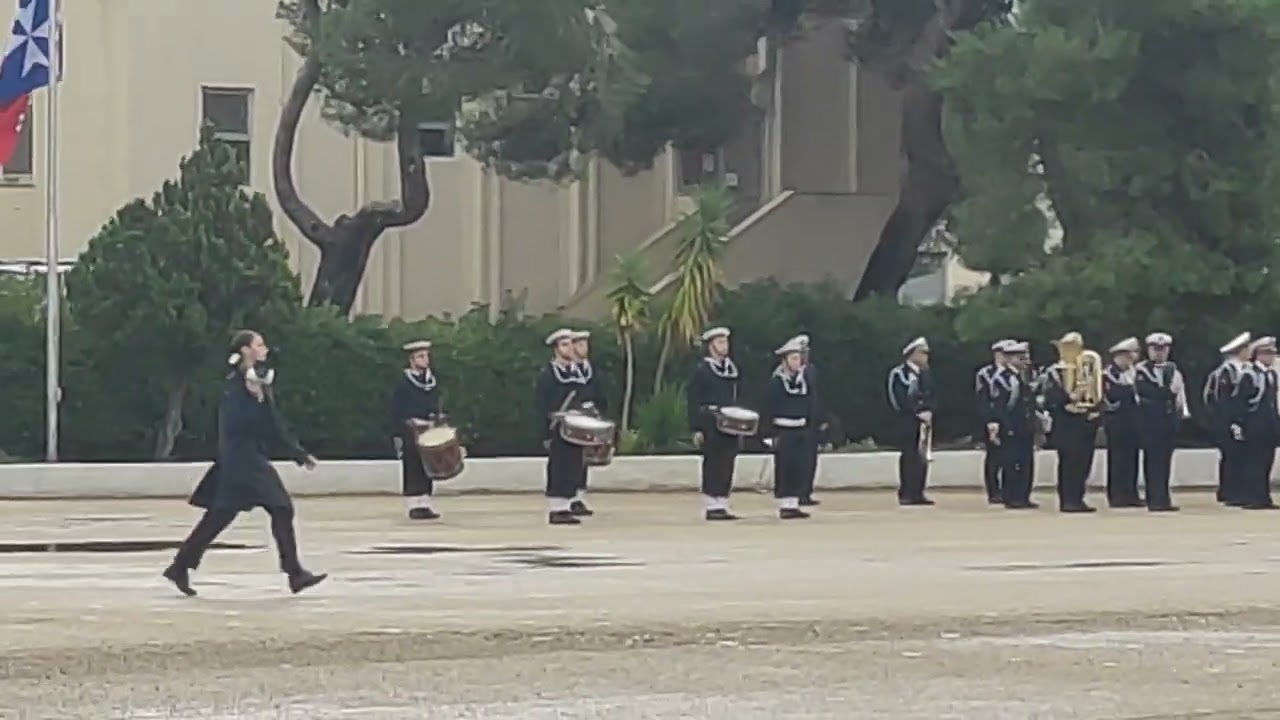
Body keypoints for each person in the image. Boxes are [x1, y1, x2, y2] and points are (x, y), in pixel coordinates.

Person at [163, 330, 326, 597]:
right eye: (259, 345)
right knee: (281, 507)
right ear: (246, 351)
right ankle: (295, 573)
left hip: (247, 459)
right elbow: (236, 425)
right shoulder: (234, 386)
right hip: (241, 460)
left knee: (219, 517)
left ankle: (179, 566)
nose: (265, 349)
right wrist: (253, 397)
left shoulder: (259, 384)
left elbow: (274, 424)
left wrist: (298, 453)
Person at [687, 326, 744, 521]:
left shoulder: (731, 369)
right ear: (711, 346)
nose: (724, 346)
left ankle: (722, 501)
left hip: (730, 420)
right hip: (710, 420)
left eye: (725, 342)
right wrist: (696, 427)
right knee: (713, 461)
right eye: (720, 342)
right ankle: (712, 504)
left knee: (728, 460)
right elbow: (693, 400)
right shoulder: (703, 370)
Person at [534, 328, 588, 525]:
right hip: (557, 427)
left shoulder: (577, 373)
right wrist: (544, 431)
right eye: (564, 345)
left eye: (571, 344)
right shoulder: (548, 374)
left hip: (576, 426)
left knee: (574, 465)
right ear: (556, 349)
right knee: (559, 466)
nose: (570, 348)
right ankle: (556, 508)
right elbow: (541, 404)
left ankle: (567, 504)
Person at [1042, 332, 1100, 513]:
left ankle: (1078, 497)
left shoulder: (1086, 365)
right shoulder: (1054, 371)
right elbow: (1050, 397)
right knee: (1069, 463)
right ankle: (1068, 499)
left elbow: (1095, 388)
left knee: (1084, 462)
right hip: (1065, 423)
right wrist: (1068, 399)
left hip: (1085, 421)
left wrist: (1094, 408)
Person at [765, 336, 819, 520]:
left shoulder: (804, 381)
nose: (797, 362)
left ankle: (794, 502)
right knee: (785, 467)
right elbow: (770, 407)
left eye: (799, 358)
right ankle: (785, 504)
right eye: (793, 358)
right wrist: (769, 433)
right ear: (785, 360)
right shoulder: (777, 381)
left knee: (799, 466)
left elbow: (810, 403)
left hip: (800, 427)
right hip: (783, 428)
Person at [1134, 332, 1187, 512]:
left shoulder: (1173, 369)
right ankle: (1153, 498)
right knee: (1152, 461)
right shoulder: (1141, 371)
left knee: (1165, 461)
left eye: (1163, 350)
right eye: (1156, 349)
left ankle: (1163, 498)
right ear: (1149, 350)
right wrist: (1168, 393)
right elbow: (1146, 393)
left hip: (1167, 421)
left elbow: (1178, 396)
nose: (1160, 353)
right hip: (1149, 422)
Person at [390, 340, 442, 520]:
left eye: (426, 356)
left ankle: (426, 502)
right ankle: (414, 503)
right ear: (412, 360)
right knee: (412, 465)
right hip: (411, 429)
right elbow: (397, 408)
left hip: (428, 428)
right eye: (420, 356)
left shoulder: (431, 381)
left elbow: (435, 403)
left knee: (428, 463)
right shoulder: (404, 382)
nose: (425, 360)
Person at [1231, 335, 1280, 510]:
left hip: (1269, 425)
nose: (1271, 357)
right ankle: (1252, 497)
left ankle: (1264, 496)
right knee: (1253, 463)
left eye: (1273, 353)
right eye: (1267, 353)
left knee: (1266, 461)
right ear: (1258, 355)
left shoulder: (1272, 375)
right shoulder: (1248, 375)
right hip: (1253, 424)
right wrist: (1238, 424)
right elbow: (1239, 402)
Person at [1204, 332, 1252, 506]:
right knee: (1231, 456)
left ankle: (1237, 490)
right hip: (1227, 421)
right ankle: (1229, 491)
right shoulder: (1226, 372)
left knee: (1239, 456)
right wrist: (1231, 422)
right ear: (1240, 350)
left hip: (1239, 420)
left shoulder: (1243, 369)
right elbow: (1222, 400)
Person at [988, 341, 1038, 509]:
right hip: (1010, 427)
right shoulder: (1001, 379)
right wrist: (1004, 426)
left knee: (1026, 462)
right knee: (1011, 463)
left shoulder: (1021, 378)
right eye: (1020, 357)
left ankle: (1023, 495)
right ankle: (1012, 496)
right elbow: (999, 405)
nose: (1024, 361)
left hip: (1024, 426)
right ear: (1010, 358)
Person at [887, 336, 936, 506]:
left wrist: (929, 411)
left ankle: (918, 491)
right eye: (922, 353)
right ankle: (907, 492)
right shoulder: (899, 373)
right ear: (912, 354)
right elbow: (898, 398)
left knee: (922, 456)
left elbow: (930, 395)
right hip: (907, 421)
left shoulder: (925, 373)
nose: (925, 357)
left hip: (924, 420)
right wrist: (916, 413)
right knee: (909, 456)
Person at [1101, 337, 1143, 508]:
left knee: (1132, 458)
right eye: (1128, 356)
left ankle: (1131, 493)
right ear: (1119, 356)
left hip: (1133, 422)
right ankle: (1117, 495)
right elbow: (1111, 397)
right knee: (1117, 459)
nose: (1131, 359)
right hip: (1116, 422)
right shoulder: (1109, 374)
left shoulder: (1134, 373)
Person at [570, 329, 605, 517]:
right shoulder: (569, 370)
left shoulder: (591, 369)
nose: (585, 348)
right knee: (571, 458)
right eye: (580, 344)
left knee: (584, 459)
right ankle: (568, 497)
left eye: (586, 344)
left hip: (590, 416)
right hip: (574, 417)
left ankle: (579, 495)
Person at [790, 333, 827, 506]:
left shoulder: (812, 370)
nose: (805, 356)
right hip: (796, 421)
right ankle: (795, 492)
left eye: (806, 352)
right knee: (796, 459)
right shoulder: (787, 374)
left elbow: (817, 397)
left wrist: (822, 418)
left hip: (812, 422)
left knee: (810, 459)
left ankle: (806, 492)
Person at [975, 340, 1010, 504]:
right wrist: (990, 420)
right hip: (992, 421)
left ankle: (1008, 489)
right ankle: (994, 491)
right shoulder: (986, 374)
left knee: (1009, 457)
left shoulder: (1014, 373)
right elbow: (983, 399)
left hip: (1010, 420)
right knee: (994, 457)